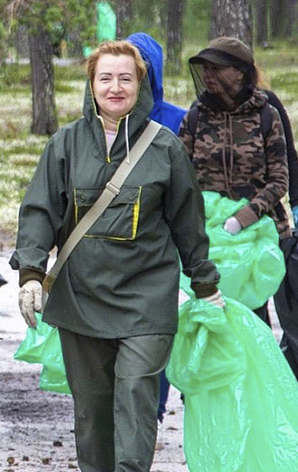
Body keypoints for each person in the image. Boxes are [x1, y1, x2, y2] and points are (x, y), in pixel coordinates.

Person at [13, 41, 222, 471]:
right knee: (92, 410)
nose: (115, 87)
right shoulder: (65, 144)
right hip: (82, 298)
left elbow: (188, 222)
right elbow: (39, 211)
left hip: (147, 298)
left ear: (140, 84)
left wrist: (206, 286)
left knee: (135, 394)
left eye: (126, 78)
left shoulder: (165, 147)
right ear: (91, 85)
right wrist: (31, 272)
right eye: (105, 77)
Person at [179, 36, 289, 325]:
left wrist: (243, 218)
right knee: (211, 314)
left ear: (239, 72)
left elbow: (279, 179)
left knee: (253, 317)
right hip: (208, 236)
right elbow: (180, 176)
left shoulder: (266, 115)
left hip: (257, 233)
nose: (208, 75)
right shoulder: (195, 117)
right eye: (205, 69)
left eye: (216, 68)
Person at [126, 31, 188, 425]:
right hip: (114, 244)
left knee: (155, 329)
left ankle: (152, 408)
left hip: (162, 245)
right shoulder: (102, 120)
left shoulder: (179, 121)